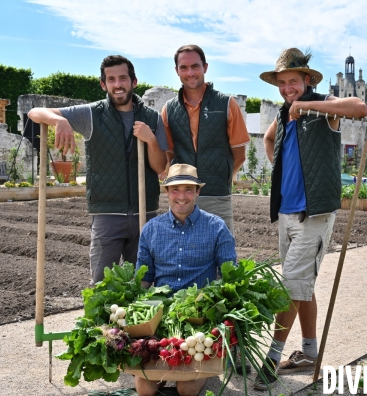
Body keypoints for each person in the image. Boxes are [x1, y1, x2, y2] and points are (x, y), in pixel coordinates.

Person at [254, 48, 367, 390]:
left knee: (291, 286)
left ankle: (272, 358)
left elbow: (359, 109)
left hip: (314, 214)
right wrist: (280, 168)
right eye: (283, 83)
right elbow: (269, 138)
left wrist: (309, 105)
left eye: (294, 81)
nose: (288, 88)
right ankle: (308, 352)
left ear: (307, 79)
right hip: (287, 212)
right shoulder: (284, 113)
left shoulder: (323, 106)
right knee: (302, 286)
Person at [28, 55, 168, 284]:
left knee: (143, 285)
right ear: (104, 84)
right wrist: (59, 120)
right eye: (111, 79)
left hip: (146, 212)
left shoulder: (152, 118)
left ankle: (140, 323)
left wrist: (151, 140)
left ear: (134, 81)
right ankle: (102, 322)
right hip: (107, 214)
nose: (118, 84)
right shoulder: (92, 114)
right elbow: (35, 112)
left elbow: (160, 167)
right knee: (103, 285)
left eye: (123, 78)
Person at [134, 163, 236, 396]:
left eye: (189, 189)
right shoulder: (151, 229)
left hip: (199, 318)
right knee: (145, 389)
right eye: (175, 190)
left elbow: (231, 276)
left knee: (187, 388)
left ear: (198, 192)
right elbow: (143, 278)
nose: (182, 196)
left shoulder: (216, 227)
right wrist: (136, 316)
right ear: (167, 193)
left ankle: (199, 374)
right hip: (161, 317)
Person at [162, 44, 250, 233]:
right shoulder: (168, 109)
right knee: (182, 257)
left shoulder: (227, 104)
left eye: (195, 66)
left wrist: (223, 178)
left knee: (222, 257)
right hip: (182, 200)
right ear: (177, 71)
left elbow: (239, 155)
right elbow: (169, 155)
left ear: (205, 67)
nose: (190, 72)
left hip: (217, 197)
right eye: (183, 67)